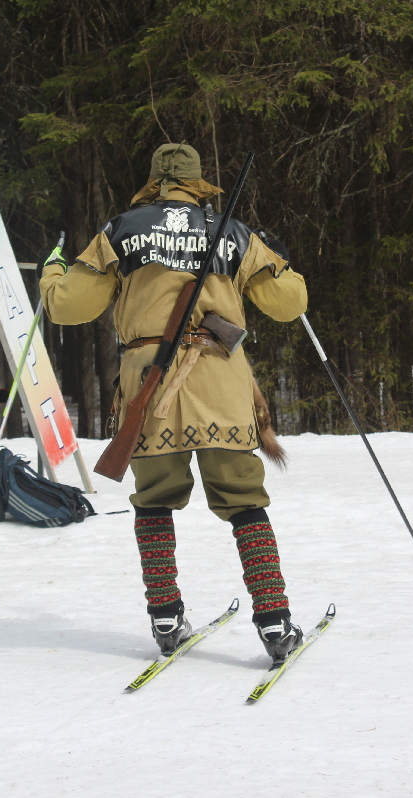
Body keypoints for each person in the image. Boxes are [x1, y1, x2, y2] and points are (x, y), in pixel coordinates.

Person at [40, 144, 309, 661]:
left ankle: (165, 616)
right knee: (244, 501)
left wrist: (54, 268)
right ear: (198, 182)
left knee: (154, 499)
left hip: (149, 384)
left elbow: (66, 307)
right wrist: (280, 259)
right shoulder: (234, 231)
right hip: (220, 384)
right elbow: (289, 303)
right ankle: (275, 622)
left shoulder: (122, 230)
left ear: (154, 182)